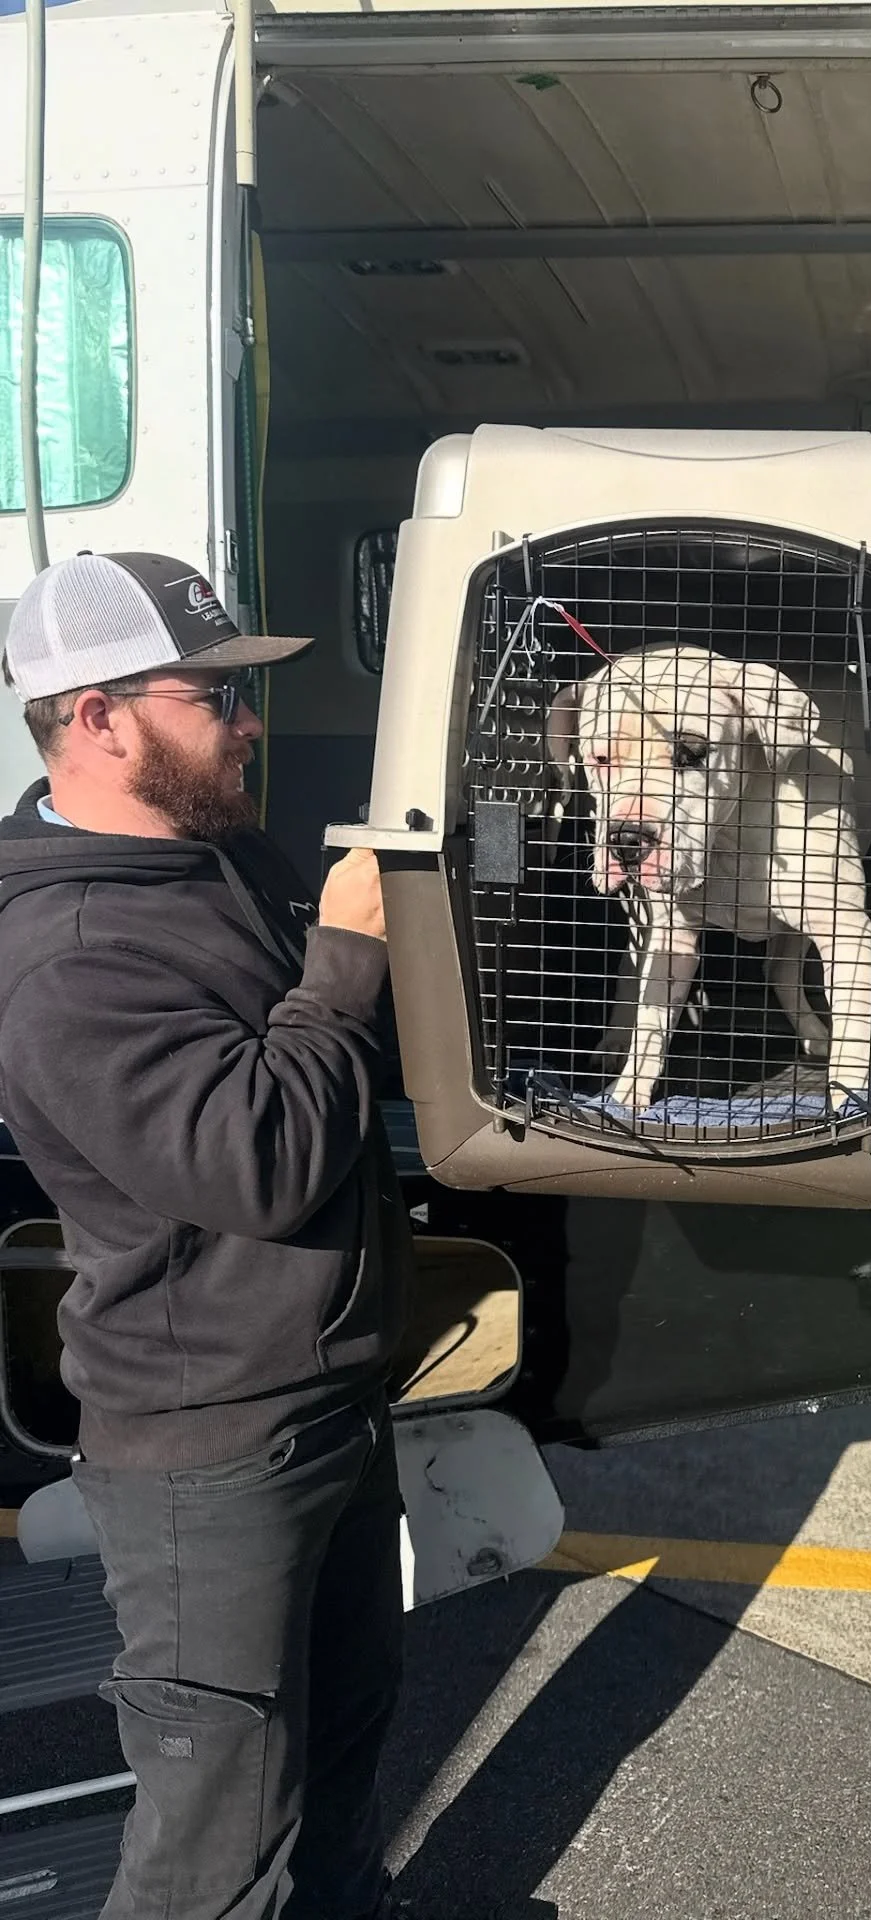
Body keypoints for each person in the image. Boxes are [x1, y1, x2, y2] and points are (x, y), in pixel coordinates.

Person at [0, 552, 414, 1920]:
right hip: (212, 1455)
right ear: (98, 717)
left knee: (349, 1745)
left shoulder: (218, 853)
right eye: (212, 695)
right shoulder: (64, 957)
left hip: (333, 1402)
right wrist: (347, 958)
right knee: (217, 1832)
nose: (246, 723)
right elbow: (266, 1158)